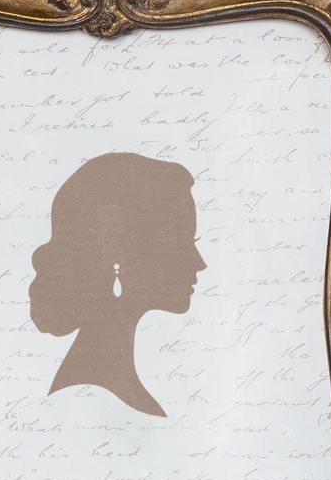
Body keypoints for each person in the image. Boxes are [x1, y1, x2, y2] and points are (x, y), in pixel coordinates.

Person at [29, 152, 206, 417]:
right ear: (120, 254)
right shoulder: (94, 391)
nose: (199, 262)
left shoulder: (102, 379)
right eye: (181, 243)